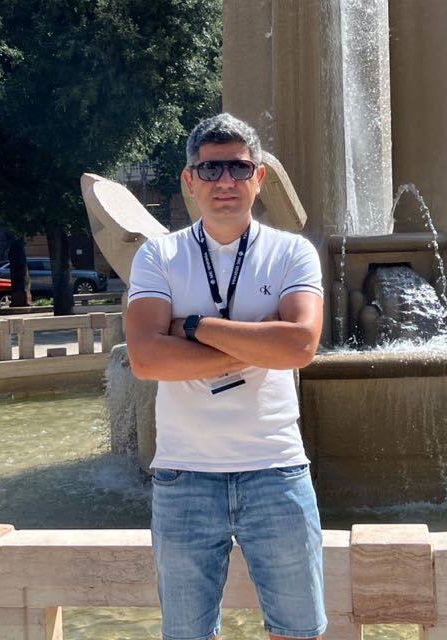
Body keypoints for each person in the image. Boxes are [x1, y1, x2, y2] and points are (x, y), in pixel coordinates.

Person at [126, 113, 326, 640]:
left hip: (276, 471)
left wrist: (194, 328)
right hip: (184, 477)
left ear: (259, 178)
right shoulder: (159, 255)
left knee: (298, 632)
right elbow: (146, 359)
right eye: (210, 169)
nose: (225, 182)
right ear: (189, 181)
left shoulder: (292, 253)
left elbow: (300, 346)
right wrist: (258, 343)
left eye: (238, 168)